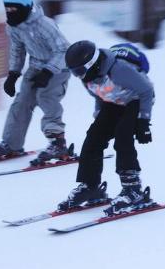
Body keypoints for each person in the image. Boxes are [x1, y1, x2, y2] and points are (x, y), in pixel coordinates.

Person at [58, 40, 155, 215]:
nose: (78, 76)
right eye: (74, 72)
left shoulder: (119, 70)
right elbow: (99, 95)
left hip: (135, 100)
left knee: (123, 137)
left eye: (79, 71)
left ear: (91, 64)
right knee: (93, 138)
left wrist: (143, 121)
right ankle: (91, 186)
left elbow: (147, 90)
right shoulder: (86, 76)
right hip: (113, 102)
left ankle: (133, 190)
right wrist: (98, 117)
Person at [0, 0, 71, 164]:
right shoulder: (14, 27)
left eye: (14, 9)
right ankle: (11, 144)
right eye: (7, 8)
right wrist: (13, 74)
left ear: (25, 7)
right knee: (22, 101)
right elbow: (17, 49)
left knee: (46, 97)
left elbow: (64, 49)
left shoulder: (44, 24)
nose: (10, 12)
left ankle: (57, 142)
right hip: (36, 67)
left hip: (59, 67)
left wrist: (48, 71)